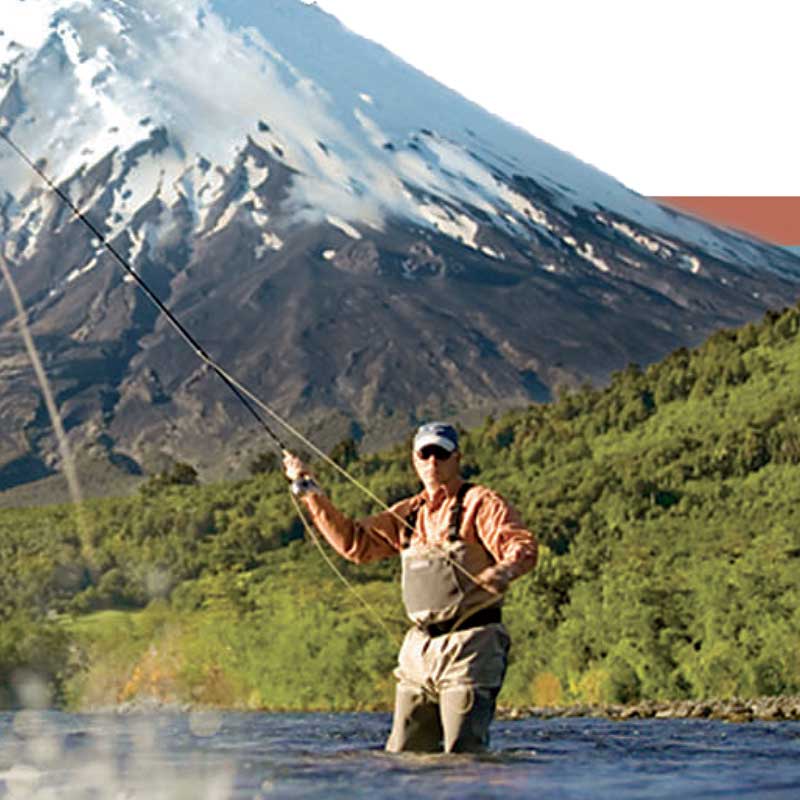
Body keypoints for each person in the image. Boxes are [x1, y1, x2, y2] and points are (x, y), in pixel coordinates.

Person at [283, 421, 537, 753]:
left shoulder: (481, 502)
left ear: (456, 458)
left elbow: (521, 546)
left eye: (441, 454)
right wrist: (308, 489)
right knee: (403, 754)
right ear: (415, 460)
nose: (433, 462)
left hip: (470, 646)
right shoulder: (408, 513)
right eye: (425, 454)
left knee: (464, 755)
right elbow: (355, 544)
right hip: (417, 651)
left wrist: (505, 570)